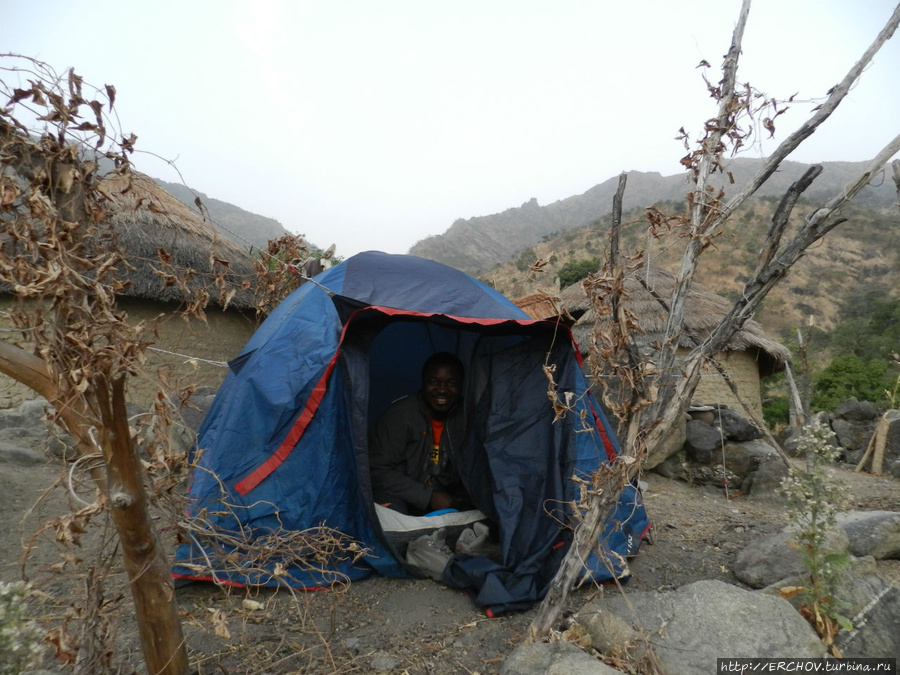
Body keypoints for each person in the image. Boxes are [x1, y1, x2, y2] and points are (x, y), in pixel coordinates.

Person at [369, 352, 473, 516]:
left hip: (445, 496)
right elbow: (376, 471)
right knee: (391, 521)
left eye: (451, 383)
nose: (442, 390)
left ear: (461, 387)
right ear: (423, 383)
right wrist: (428, 496)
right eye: (434, 382)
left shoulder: (466, 416)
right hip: (399, 493)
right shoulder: (401, 415)